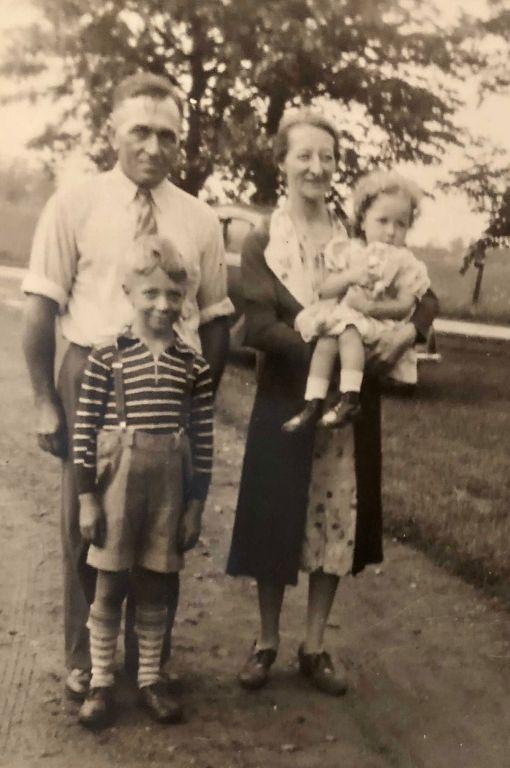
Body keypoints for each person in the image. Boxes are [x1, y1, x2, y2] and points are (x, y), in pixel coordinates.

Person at [22, 71, 233, 701]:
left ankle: (152, 666)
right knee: (89, 528)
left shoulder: (199, 218)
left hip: (168, 383)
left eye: (168, 135)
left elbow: (217, 319)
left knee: (161, 531)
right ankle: (88, 663)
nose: (152, 145)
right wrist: (42, 400)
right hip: (93, 372)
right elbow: (39, 310)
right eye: (139, 130)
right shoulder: (74, 205)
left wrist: (198, 393)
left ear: (181, 142)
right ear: (113, 130)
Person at [226, 109, 438, 695]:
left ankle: (314, 643)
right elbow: (260, 325)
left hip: (352, 391)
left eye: (328, 157)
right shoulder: (264, 240)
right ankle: (267, 639)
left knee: (334, 517)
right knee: (276, 514)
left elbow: (425, 297)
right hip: (287, 396)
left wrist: (405, 334)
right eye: (304, 156)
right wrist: (319, 338)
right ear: (283, 164)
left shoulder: (360, 234)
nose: (317, 167)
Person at [73, 235, 213, 728]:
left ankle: (150, 679)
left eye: (174, 295)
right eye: (150, 293)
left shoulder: (192, 364)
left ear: (185, 299)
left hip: (167, 490)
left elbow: (203, 439)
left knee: (156, 585)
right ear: (128, 290)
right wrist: (87, 498)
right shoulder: (107, 355)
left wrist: (195, 507)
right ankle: (100, 683)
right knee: (109, 585)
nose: (162, 305)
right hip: (117, 488)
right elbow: (85, 431)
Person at [283, 169, 430, 432]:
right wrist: (351, 275)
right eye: (382, 221)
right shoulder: (348, 251)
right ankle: (313, 402)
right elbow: (324, 288)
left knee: (348, 330)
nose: (391, 232)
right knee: (329, 335)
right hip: (349, 315)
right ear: (362, 221)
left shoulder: (406, 263)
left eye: (401, 224)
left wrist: (371, 307)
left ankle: (350, 399)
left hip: (378, 323)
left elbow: (406, 305)